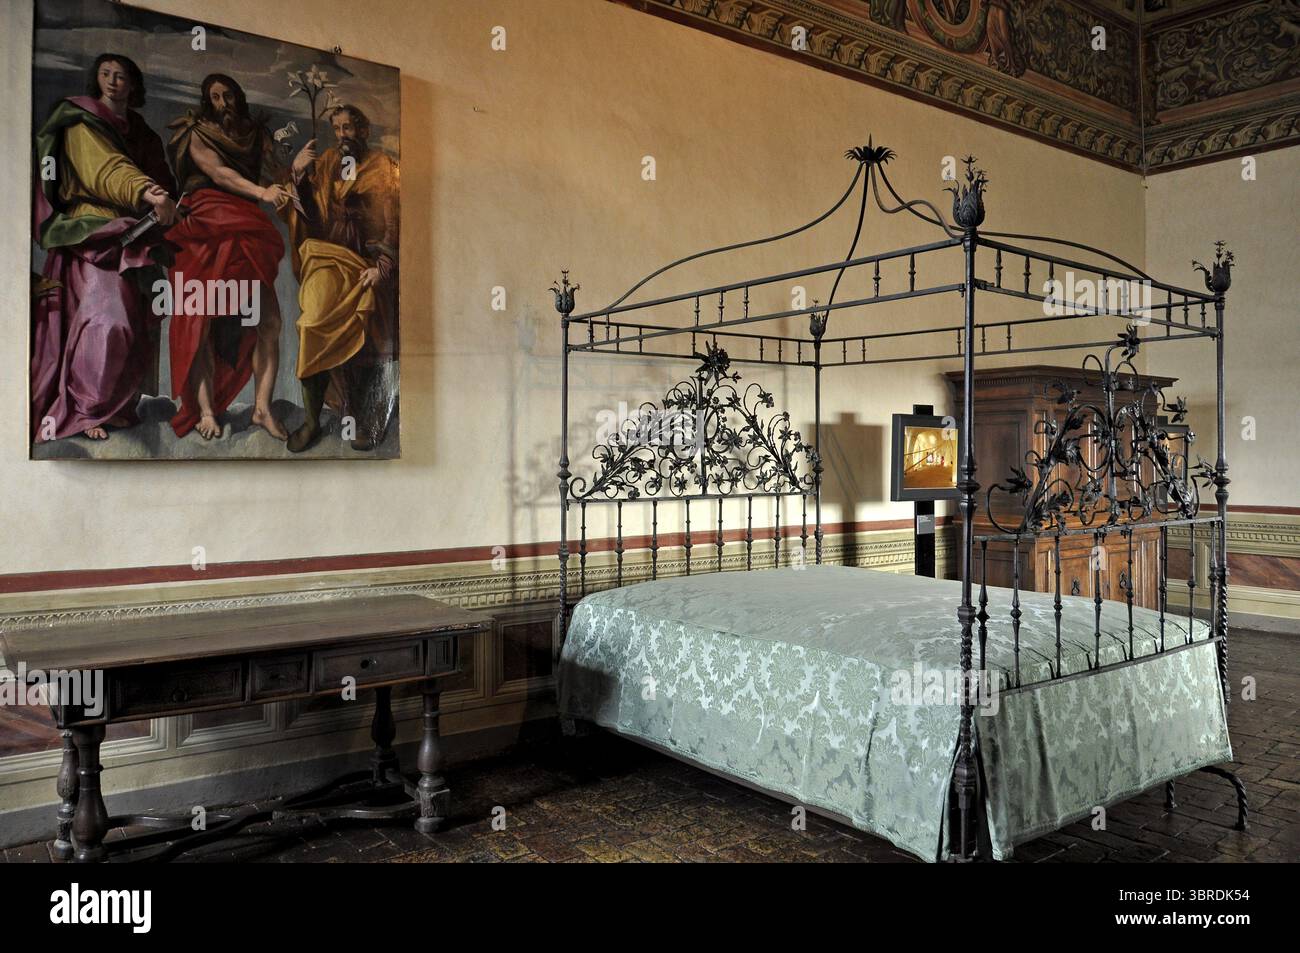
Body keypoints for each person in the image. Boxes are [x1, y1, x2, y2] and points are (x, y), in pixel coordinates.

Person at [31, 53, 177, 443]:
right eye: (106, 74)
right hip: (92, 231)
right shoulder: (81, 120)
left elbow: (163, 180)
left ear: (133, 84)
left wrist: (165, 199)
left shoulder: (142, 132)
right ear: (96, 79)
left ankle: (114, 406)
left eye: (122, 75)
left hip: (134, 235)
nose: (114, 81)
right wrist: (147, 192)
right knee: (107, 323)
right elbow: (107, 169)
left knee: (137, 325)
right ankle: (85, 409)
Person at [166, 73, 291, 440]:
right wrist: (261, 192)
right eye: (215, 97)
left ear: (238, 97)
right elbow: (219, 173)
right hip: (206, 225)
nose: (223, 103)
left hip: (246, 227)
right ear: (208, 102)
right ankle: (205, 411)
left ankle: (262, 409)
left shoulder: (254, 134)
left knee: (269, 322)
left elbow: (279, 175)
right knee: (200, 322)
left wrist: (293, 165)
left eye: (228, 95)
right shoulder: (196, 132)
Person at [283, 104, 399, 452]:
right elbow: (312, 216)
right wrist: (299, 175)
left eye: (349, 128)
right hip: (328, 259)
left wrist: (382, 265)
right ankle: (312, 421)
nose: (343, 135)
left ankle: (366, 419)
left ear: (363, 130)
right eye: (337, 129)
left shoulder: (382, 167)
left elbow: (393, 223)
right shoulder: (329, 162)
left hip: (366, 261)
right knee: (311, 328)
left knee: (368, 338)